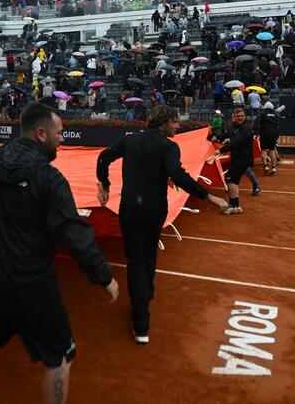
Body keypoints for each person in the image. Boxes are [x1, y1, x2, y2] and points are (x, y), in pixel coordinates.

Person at [0, 104, 119, 404]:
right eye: (59, 133)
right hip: (33, 286)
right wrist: (104, 275)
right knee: (59, 357)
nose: (63, 139)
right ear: (41, 134)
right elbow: (73, 232)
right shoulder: (50, 178)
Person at [96, 105, 231, 344]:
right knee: (147, 257)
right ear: (165, 121)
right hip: (155, 210)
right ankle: (143, 307)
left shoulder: (131, 141)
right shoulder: (169, 146)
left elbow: (103, 157)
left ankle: (141, 318)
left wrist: (105, 186)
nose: (178, 126)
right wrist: (208, 197)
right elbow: (177, 175)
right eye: (176, 122)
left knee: (136, 261)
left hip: (130, 209)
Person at [207, 107, 255, 214]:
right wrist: (217, 137)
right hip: (237, 158)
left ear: (245, 116)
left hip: (243, 159)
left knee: (229, 178)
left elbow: (236, 142)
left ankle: (233, 205)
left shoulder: (246, 129)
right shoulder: (234, 126)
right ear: (234, 117)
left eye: (242, 116)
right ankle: (236, 206)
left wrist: (220, 150)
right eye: (238, 116)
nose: (240, 118)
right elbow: (228, 134)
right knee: (234, 181)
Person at [256, 101, 280, 176]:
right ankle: (273, 168)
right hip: (274, 133)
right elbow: (277, 123)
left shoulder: (262, 112)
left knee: (263, 150)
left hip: (265, 133)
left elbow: (257, 122)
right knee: (272, 150)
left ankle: (265, 166)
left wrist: (255, 131)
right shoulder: (276, 114)